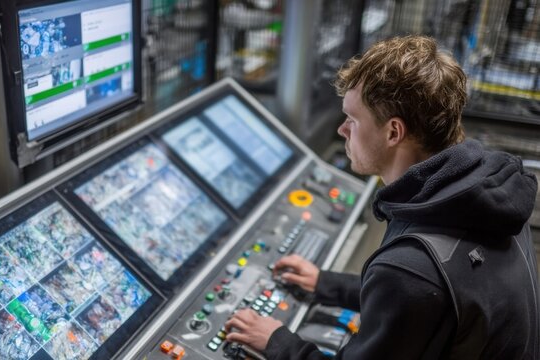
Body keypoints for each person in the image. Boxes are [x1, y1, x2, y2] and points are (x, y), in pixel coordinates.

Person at [225, 35, 539, 359]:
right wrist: (326, 284)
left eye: (353, 119)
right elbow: (428, 306)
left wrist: (278, 341)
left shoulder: (409, 269)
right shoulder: (491, 194)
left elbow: (413, 287)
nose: (342, 130)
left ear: (393, 132)